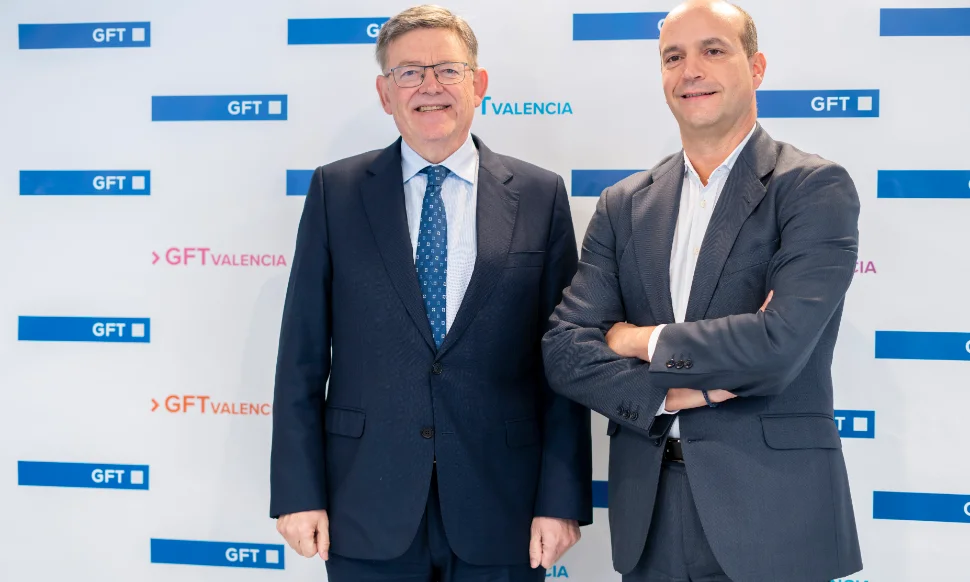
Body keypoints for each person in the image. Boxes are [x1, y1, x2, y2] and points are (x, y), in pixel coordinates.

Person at [541, 1, 863, 581]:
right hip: (650, 517)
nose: (691, 70)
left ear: (756, 67)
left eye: (713, 50)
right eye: (673, 57)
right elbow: (565, 350)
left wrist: (637, 340)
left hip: (773, 514)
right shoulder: (623, 204)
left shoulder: (812, 188)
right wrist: (672, 396)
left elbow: (777, 346)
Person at [269, 5, 592, 581]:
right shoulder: (335, 193)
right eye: (409, 73)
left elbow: (562, 363)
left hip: (505, 507)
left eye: (447, 69)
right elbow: (301, 356)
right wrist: (299, 493)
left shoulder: (540, 195)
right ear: (384, 93)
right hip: (364, 503)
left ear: (478, 84)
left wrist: (561, 499)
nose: (430, 86)